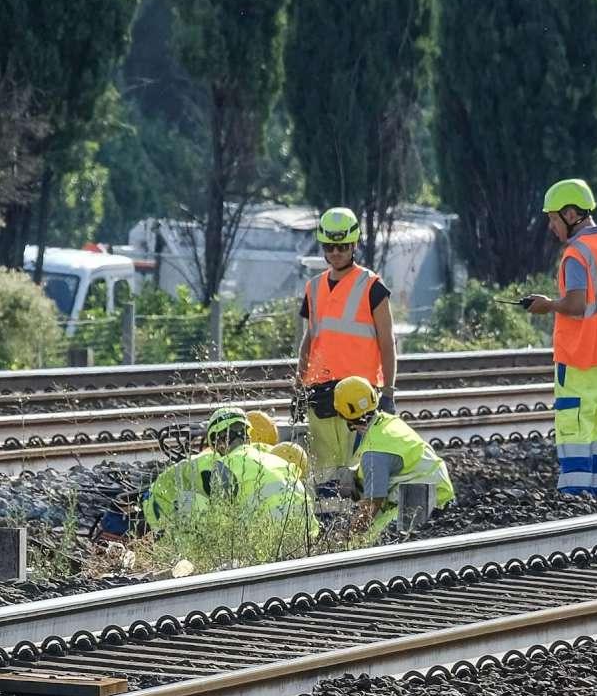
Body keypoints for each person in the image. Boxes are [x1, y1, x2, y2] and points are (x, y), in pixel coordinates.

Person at [521, 178, 597, 499]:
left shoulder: (576, 254)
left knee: (574, 423)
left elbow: (577, 305)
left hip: (580, 356)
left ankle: (575, 495)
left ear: (571, 214)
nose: (551, 226)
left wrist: (546, 305)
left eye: (553, 219)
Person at [297, 205, 397, 475]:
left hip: (359, 396)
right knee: (323, 473)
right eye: (329, 247)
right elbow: (309, 341)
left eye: (342, 247)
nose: (335, 252)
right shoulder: (313, 287)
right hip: (320, 396)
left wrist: (388, 393)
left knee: (357, 473)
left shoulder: (372, 286)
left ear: (354, 244)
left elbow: (387, 343)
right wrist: (299, 387)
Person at [144, 404, 316, 562]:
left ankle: (188, 561)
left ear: (218, 442)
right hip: (303, 541)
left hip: (265, 548)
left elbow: (221, 522)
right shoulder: (277, 460)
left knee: (188, 501)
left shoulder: (225, 466)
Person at [333, 375, 455, 540]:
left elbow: (372, 506)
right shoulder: (386, 422)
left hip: (426, 501)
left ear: (342, 414)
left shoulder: (374, 452)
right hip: (438, 491)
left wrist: (347, 536)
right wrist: (355, 474)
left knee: (371, 540)